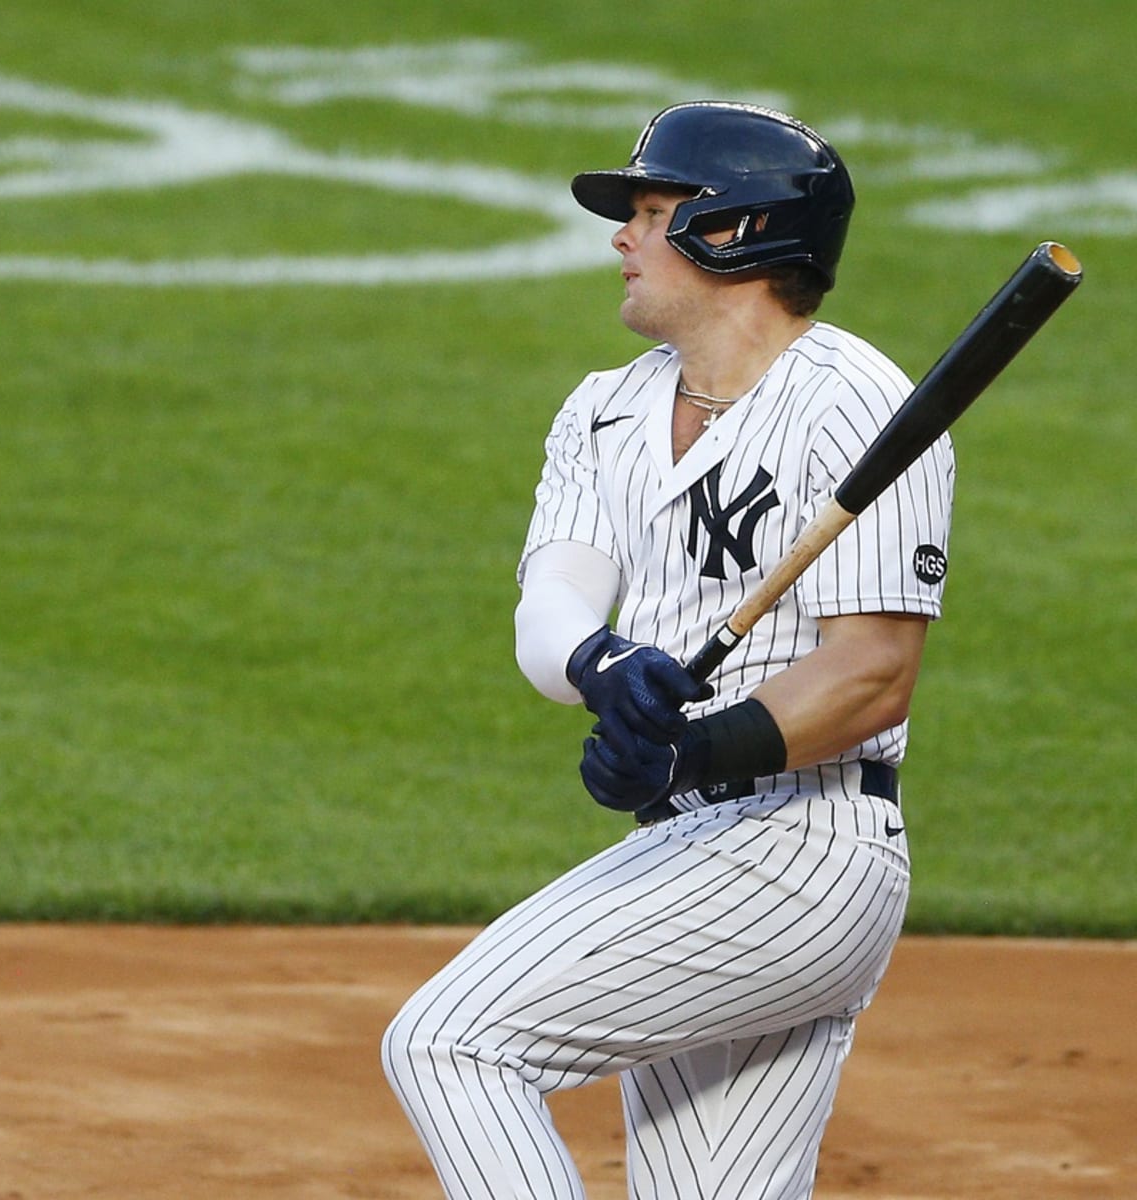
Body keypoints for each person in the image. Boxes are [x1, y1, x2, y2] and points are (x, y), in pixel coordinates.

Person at [382, 100, 954, 1200]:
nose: (621, 238)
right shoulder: (605, 412)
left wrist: (695, 752)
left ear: (735, 232)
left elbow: (872, 676)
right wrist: (602, 664)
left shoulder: (855, 408)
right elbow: (550, 604)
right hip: (696, 850)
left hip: (802, 850)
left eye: (650, 212)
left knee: (453, 1042)